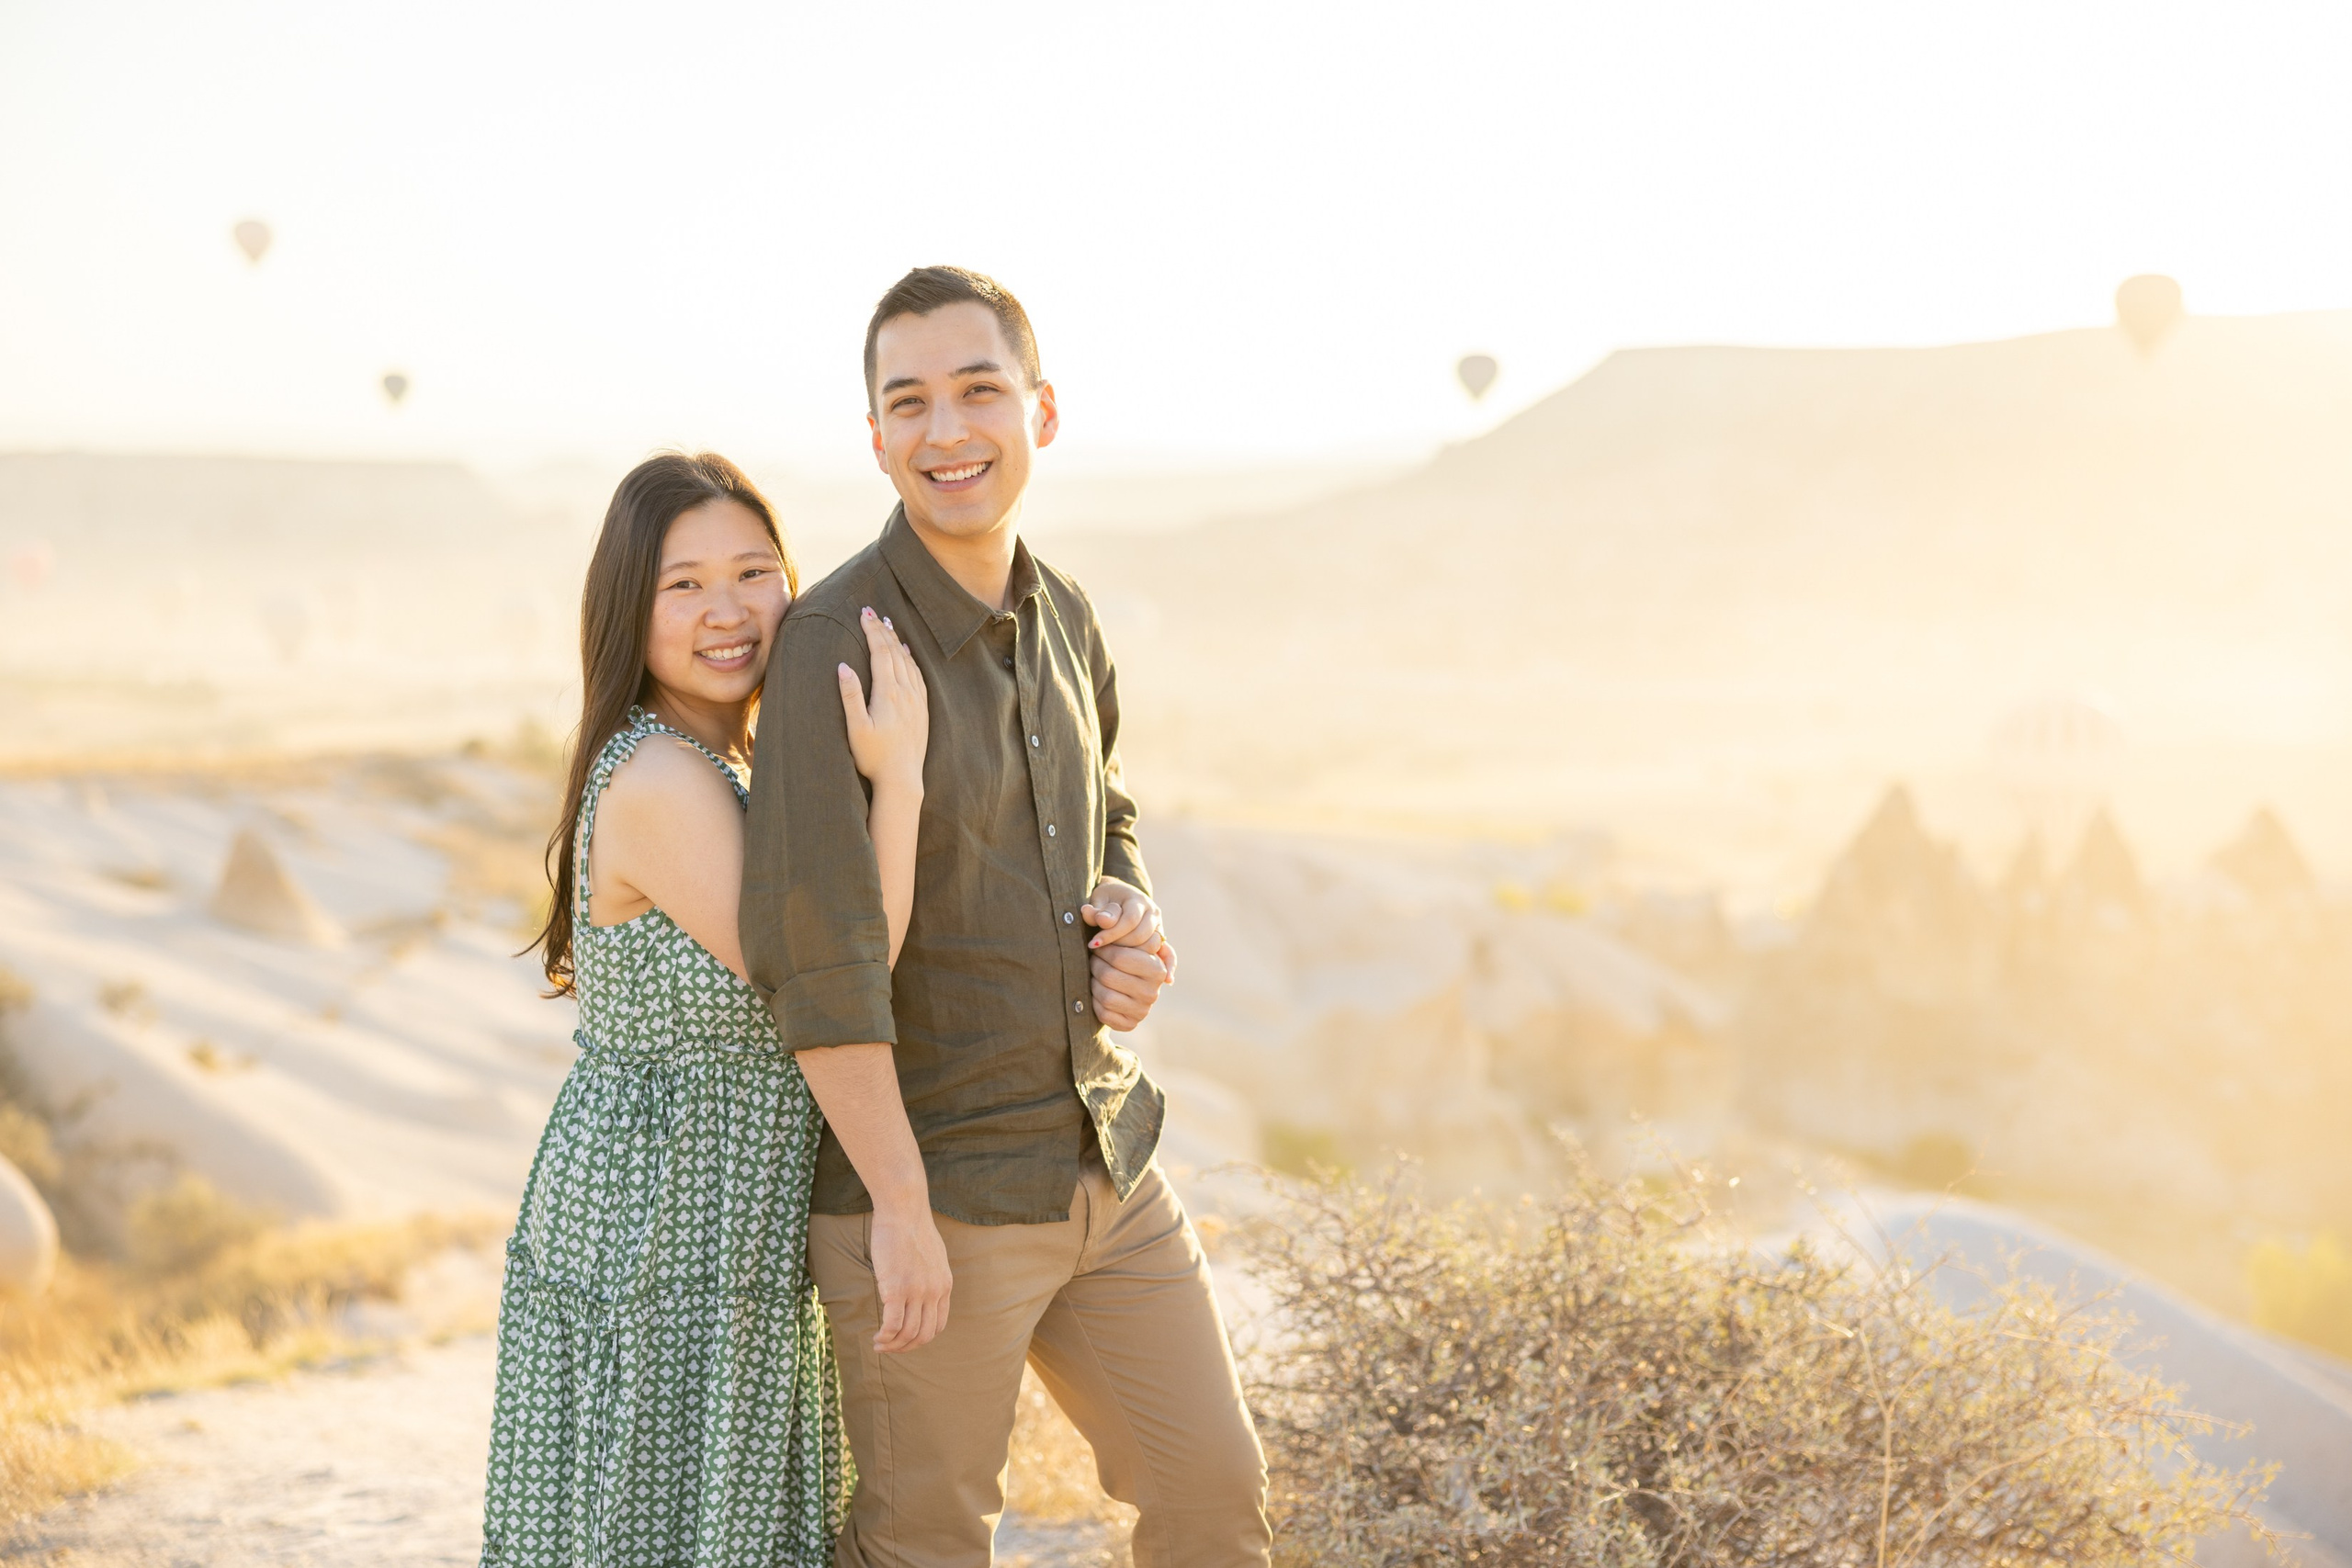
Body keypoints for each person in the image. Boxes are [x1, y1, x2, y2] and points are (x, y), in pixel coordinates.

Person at [741, 267, 1272, 1567]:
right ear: (876, 437)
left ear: (1041, 409)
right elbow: (820, 962)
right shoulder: (830, 644)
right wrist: (899, 1208)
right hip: (931, 1191)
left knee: (1215, 1496)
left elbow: (1111, 815)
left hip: (1102, 1155)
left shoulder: (1068, 615)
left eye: (978, 390)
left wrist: (1128, 906)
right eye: (907, 401)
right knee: (926, 1539)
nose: (946, 430)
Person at [481, 453, 927, 1565]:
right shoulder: (663, 781)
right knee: (668, 1528)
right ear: (629, 608)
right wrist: (903, 778)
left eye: (753, 573)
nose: (726, 612)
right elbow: (840, 968)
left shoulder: (718, 760)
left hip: (710, 1213)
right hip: (663, 1223)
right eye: (683, 586)